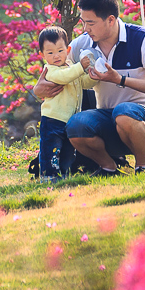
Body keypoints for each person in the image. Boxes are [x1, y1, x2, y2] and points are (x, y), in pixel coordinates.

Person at [35, 0, 145, 176]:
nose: (85, 29)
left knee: (124, 111)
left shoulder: (142, 38)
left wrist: (120, 80)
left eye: (91, 23)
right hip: (109, 121)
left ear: (110, 20)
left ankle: (143, 166)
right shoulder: (81, 45)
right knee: (75, 125)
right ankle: (108, 168)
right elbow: (56, 71)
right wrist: (38, 89)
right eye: (83, 23)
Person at [33, 25, 91, 180]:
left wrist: (94, 76)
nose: (56, 56)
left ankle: (64, 174)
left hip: (69, 119)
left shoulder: (71, 67)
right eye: (50, 52)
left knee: (67, 150)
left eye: (60, 50)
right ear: (42, 55)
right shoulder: (50, 70)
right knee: (51, 149)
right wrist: (81, 67)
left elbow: (82, 83)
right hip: (53, 118)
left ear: (68, 49)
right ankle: (49, 176)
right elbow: (64, 77)